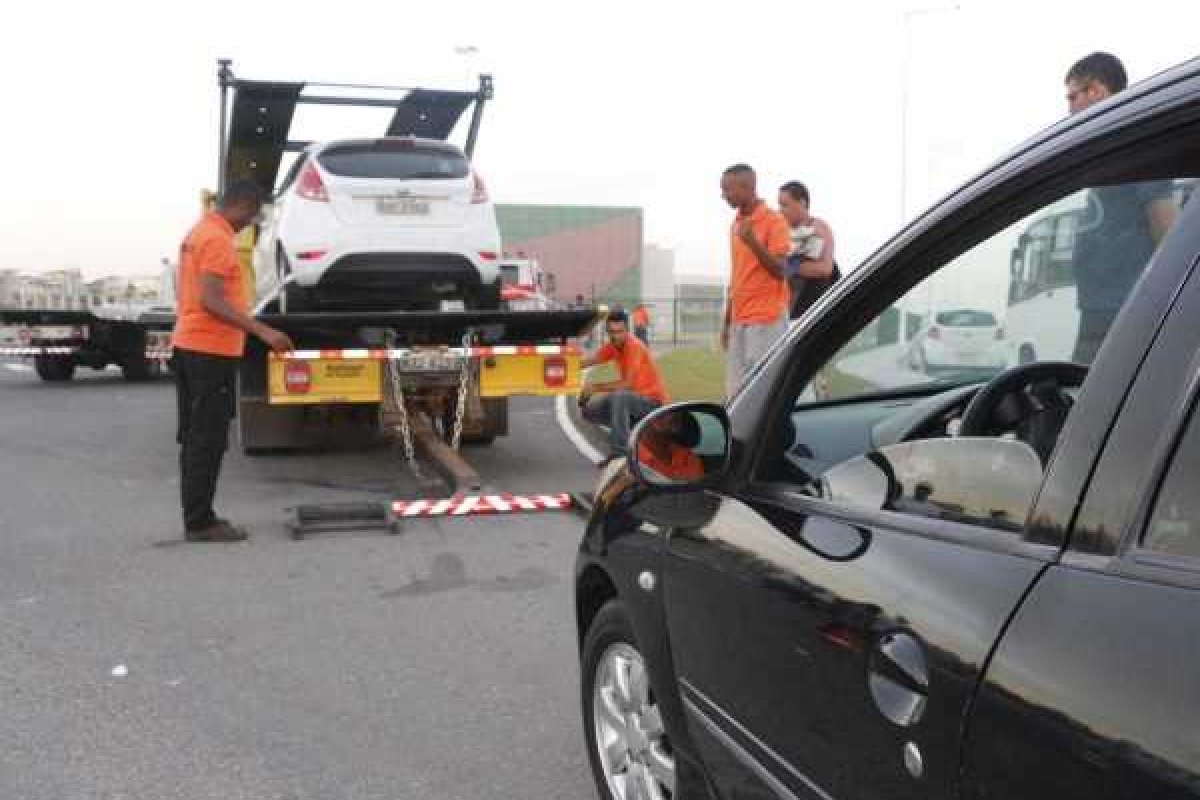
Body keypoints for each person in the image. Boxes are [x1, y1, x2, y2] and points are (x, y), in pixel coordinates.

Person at [172, 180, 294, 542]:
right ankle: (200, 522)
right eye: (251, 216)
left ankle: (197, 517)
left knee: (197, 436)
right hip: (208, 351)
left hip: (192, 346)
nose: (250, 224)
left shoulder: (199, 231)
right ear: (241, 205)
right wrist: (263, 331)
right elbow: (211, 299)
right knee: (207, 438)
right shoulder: (218, 239)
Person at [1064, 53, 1179, 362]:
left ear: (1097, 91)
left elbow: (1167, 232)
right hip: (1100, 310)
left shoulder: (1137, 146)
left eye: (1073, 96)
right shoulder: (1109, 150)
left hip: (1125, 311)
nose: (1070, 108)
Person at [719, 164, 792, 399]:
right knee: (735, 392)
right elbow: (737, 274)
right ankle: (737, 435)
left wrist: (753, 242)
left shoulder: (774, 221)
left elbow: (781, 270)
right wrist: (727, 321)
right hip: (740, 319)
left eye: (727, 190)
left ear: (747, 187)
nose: (723, 196)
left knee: (762, 392)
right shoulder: (736, 223)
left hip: (766, 319)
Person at [579, 309, 669, 460]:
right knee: (588, 411)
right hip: (631, 401)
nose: (615, 336)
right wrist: (562, 363)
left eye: (619, 331)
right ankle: (634, 428)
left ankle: (620, 455)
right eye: (611, 332)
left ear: (627, 330)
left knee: (619, 396)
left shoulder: (634, 346)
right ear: (607, 331)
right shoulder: (612, 346)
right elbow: (590, 360)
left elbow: (627, 384)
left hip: (652, 403)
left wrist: (594, 387)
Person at [778, 182, 839, 320]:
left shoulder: (818, 227)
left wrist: (787, 266)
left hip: (814, 308)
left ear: (802, 203)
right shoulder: (782, 231)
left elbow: (825, 269)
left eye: (784, 205)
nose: (780, 210)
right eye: (779, 205)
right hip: (789, 310)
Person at [636, 412, 705, 482]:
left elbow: (697, 489)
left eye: (675, 412)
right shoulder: (632, 458)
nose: (671, 416)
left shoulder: (688, 457)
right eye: (657, 411)